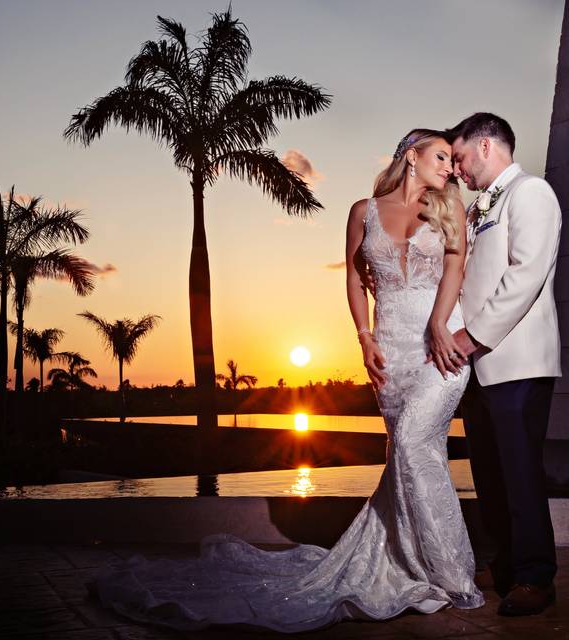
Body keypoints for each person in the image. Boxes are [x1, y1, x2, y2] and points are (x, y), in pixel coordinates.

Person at [87, 128, 484, 633]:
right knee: (404, 454)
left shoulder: (449, 211)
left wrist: (439, 324)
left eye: (453, 161)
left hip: (439, 345)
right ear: (412, 156)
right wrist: (364, 338)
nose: (450, 168)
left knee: (413, 445)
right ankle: (409, 562)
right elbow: (352, 278)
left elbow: (454, 270)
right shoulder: (363, 211)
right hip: (389, 352)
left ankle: (451, 572)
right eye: (441, 157)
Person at [437, 112, 561, 616]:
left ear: (486, 146)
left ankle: (536, 577)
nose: (458, 170)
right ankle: (506, 563)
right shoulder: (474, 210)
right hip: (478, 365)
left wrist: (472, 336)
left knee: (521, 472)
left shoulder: (532, 192)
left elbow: (526, 273)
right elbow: (466, 279)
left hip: (518, 361)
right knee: (489, 473)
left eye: (461, 157)